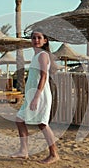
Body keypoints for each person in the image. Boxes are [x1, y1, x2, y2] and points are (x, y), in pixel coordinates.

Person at [11, 29, 59, 164]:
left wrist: (37, 97)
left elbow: (44, 77)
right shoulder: (35, 56)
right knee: (20, 120)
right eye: (33, 38)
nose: (36, 40)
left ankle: (54, 154)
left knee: (42, 123)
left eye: (39, 38)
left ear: (45, 40)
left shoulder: (43, 55)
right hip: (32, 95)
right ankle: (24, 151)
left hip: (40, 95)